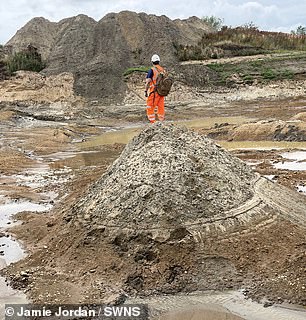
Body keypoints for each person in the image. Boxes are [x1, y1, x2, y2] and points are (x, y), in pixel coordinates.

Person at [144, 54, 165, 123]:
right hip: (161, 92)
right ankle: (161, 120)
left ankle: (152, 121)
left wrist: (145, 91)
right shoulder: (162, 70)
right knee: (160, 106)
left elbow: (148, 82)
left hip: (154, 91)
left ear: (152, 62)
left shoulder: (152, 70)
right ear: (159, 61)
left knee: (150, 106)